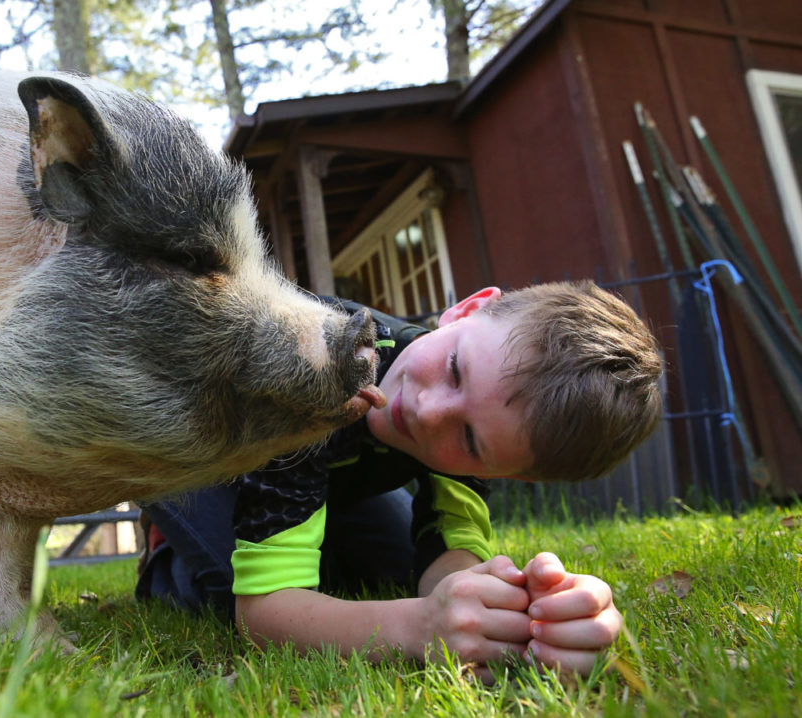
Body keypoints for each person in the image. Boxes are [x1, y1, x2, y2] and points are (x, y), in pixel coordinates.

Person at [136, 280, 664, 680]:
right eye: (455, 368)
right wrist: (421, 628)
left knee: (388, 573)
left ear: (496, 471)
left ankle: (306, 530)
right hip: (196, 456)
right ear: (466, 309)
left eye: (471, 441)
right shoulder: (315, 368)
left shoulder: (465, 413)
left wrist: (523, 612)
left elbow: (450, 560)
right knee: (236, 594)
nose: (427, 410)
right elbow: (264, 615)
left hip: (321, 482)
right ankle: (166, 553)